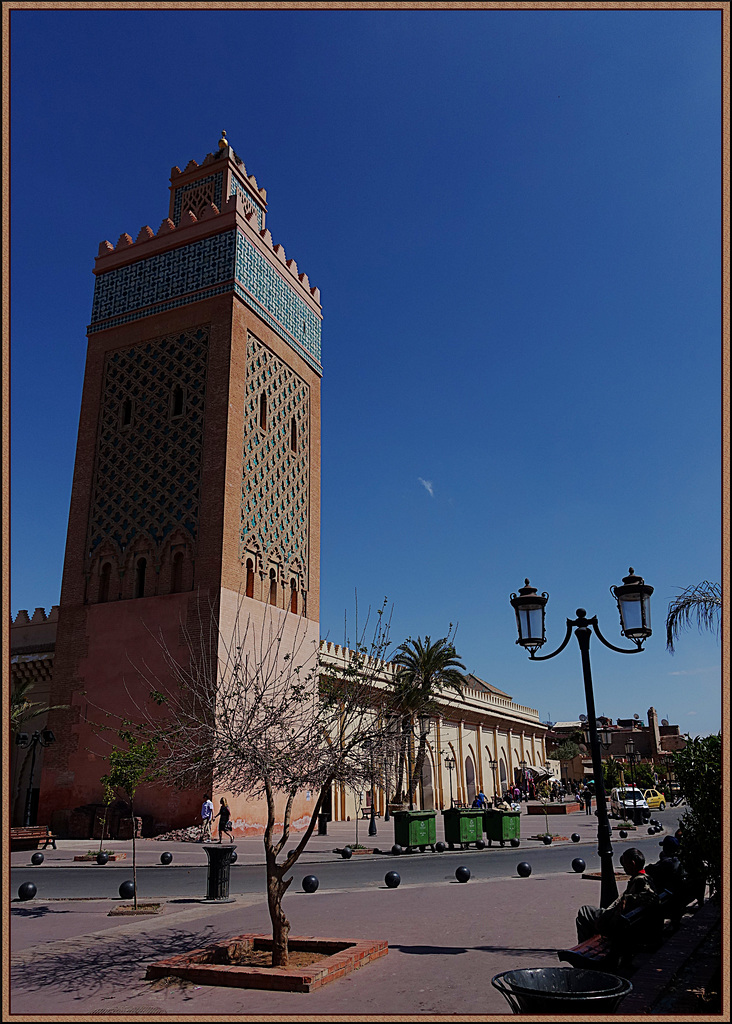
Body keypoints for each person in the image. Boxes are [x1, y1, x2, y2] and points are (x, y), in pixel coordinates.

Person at [575, 848, 659, 943]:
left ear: (632, 863)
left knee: (584, 911)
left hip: (618, 925)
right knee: (587, 912)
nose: (624, 867)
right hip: (629, 923)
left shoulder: (639, 881)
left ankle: (584, 946)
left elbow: (623, 908)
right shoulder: (647, 878)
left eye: (625, 864)